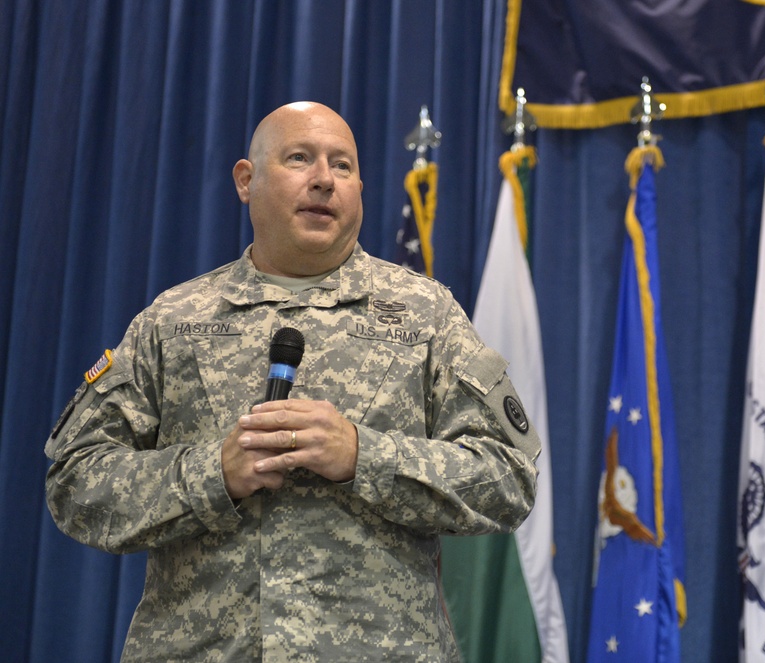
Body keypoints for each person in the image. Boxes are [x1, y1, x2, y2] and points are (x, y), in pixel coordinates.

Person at [44, 101, 541, 662]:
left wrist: (364, 455)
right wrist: (214, 475)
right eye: (300, 158)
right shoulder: (173, 320)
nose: (324, 180)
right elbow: (74, 483)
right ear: (246, 181)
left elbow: (509, 477)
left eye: (343, 166)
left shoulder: (426, 315)